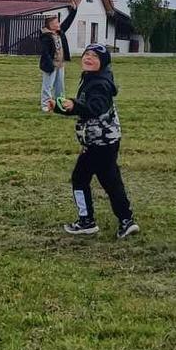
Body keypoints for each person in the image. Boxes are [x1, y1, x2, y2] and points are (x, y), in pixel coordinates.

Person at [55, 43, 139, 239]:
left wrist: (73, 104)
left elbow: (94, 107)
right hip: (107, 139)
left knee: (80, 178)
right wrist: (61, 107)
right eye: (86, 54)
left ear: (103, 63)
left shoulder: (99, 84)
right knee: (111, 180)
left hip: (99, 142)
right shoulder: (93, 78)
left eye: (94, 56)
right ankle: (126, 220)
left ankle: (86, 221)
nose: (88, 58)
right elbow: (84, 108)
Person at [38, 5, 78, 112]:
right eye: (56, 23)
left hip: (60, 65)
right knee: (47, 86)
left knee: (60, 87)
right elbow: (45, 52)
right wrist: (49, 65)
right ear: (50, 25)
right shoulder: (46, 36)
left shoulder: (60, 32)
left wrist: (74, 10)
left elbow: (68, 22)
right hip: (50, 65)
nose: (58, 24)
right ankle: (45, 105)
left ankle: (60, 104)